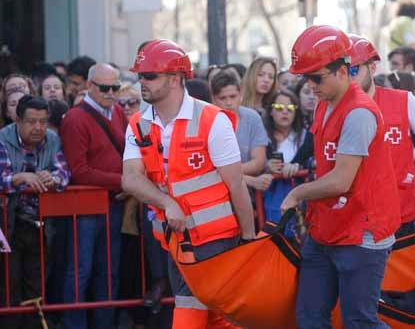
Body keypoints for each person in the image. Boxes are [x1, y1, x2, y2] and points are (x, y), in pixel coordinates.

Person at [122, 39, 255, 329]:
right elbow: (130, 178)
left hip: (216, 239)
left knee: (202, 312)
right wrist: (168, 203)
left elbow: (236, 185)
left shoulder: (212, 120)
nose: (141, 81)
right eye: (140, 75)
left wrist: (248, 240)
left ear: (174, 79)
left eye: (149, 75)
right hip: (176, 239)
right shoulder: (138, 124)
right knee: (213, 314)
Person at [280, 25, 400, 328]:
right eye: (306, 78)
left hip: (361, 232)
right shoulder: (324, 105)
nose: (310, 85)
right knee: (309, 318)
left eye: (316, 77)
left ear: (343, 70)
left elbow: (340, 180)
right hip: (327, 230)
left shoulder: (359, 113)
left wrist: (297, 193)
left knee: (360, 321)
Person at [348, 34, 415, 236]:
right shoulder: (333, 106)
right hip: (354, 217)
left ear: (372, 67)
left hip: (400, 213)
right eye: (343, 71)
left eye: (354, 69)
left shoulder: (404, 100)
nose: (350, 76)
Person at [59, 63, 128, 329]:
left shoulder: (118, 112)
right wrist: (123, 181)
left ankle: (105, 324)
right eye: (105, 88)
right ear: (89, 86)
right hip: (87, 205)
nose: (111, 93)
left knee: (108, 273)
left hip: (113, 203)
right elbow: (79, 171)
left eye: (115, 87)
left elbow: (125, 152)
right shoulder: (76, 118)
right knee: (81, 271)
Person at [0, 96, 70, 329]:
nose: (38, 127)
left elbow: (64, 172)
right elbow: (2, 178)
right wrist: (20, 177)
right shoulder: (3, 138)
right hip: (8, 223)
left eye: (43, 121)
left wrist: (53, 178)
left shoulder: (52, 139)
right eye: (31, 121)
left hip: (41, 223)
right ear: (18, 120)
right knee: (9, 285)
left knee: (37, 285)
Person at [210, 70, 271, 190]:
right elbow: (207, 171)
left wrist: (223, 172)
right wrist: (249, 180)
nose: (229, 103)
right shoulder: (206, 122)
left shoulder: (252, 118)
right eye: (222, 98)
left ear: (240, 94)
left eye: (233, 97)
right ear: (213, 99)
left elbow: (258, 163)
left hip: (250, 196)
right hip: (218, 195)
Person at [262, 90, 313, 223]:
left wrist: (298, 165)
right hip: (269, 198)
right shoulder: (261, 136)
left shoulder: (306, 137)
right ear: (271, 111)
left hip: (300, 197)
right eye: (279, 108)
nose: (285, 112)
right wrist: (266, 166)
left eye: (290, 108)